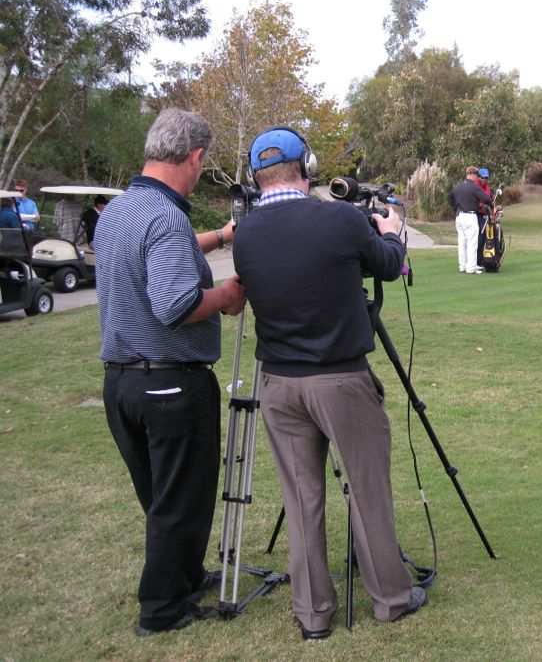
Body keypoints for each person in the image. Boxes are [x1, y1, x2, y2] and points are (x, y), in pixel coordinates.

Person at [232, 126, 427, 640]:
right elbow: (388, 266)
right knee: (367, 491)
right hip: (340, 378)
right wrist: (388, 228)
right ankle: (390, 597)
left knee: (301, 500)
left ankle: (314, 614)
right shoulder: (339, 218)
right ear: (306, 166)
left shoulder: (246, 231)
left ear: (258, 174)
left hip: (278, 382)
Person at [94, 108, 246, 637]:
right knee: (180, 500)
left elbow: (158, 252)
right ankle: (162, 611)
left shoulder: (120, 210)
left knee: (162, 495)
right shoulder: (165, 216)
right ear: (195, 156)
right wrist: (226, 296)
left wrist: (220, 237)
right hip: (169, 382)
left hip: (123, 383)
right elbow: (177, 302)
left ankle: (184, 575)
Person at [449, 166, 493, 274]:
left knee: (462, 241)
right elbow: (486, 198)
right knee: (472, 242)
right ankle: (471, 268)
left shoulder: (458, 186)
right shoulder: (473, 187)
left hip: (459, 216)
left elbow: (450, 198)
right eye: (477, 175)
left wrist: (455, 208)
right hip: (470, 216)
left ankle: (462, 266)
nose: (477, 178)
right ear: (473, 175)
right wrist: (490, 205)